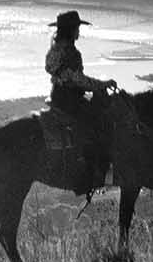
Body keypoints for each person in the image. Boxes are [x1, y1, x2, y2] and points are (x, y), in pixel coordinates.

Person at [45, 10, 117, 191]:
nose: (79, 31)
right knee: (99, 123)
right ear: (70, 30)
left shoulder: (55, 49)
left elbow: (59, 73)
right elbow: (78, 80)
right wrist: (102, 84)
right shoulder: (70, 52)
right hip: (69, 100)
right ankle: (90, 170)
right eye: (77, 28)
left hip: (57, 96)